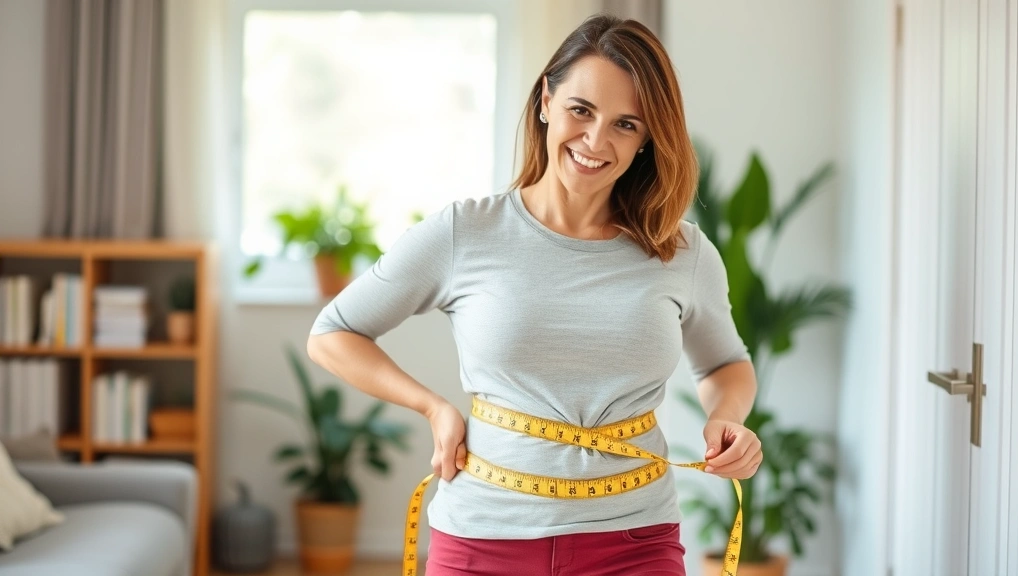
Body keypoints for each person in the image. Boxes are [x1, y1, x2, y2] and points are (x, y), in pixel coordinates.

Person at [307, 13, 762, 576]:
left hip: (634, 539)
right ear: (545, 99)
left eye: (627, 124)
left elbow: (726, 363)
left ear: (648, 139)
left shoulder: (683, 253)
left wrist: (729, 417)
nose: (596, 141)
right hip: (483, 539)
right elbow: (332, 334)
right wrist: (433, 406)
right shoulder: (463, 233)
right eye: (581, 110)